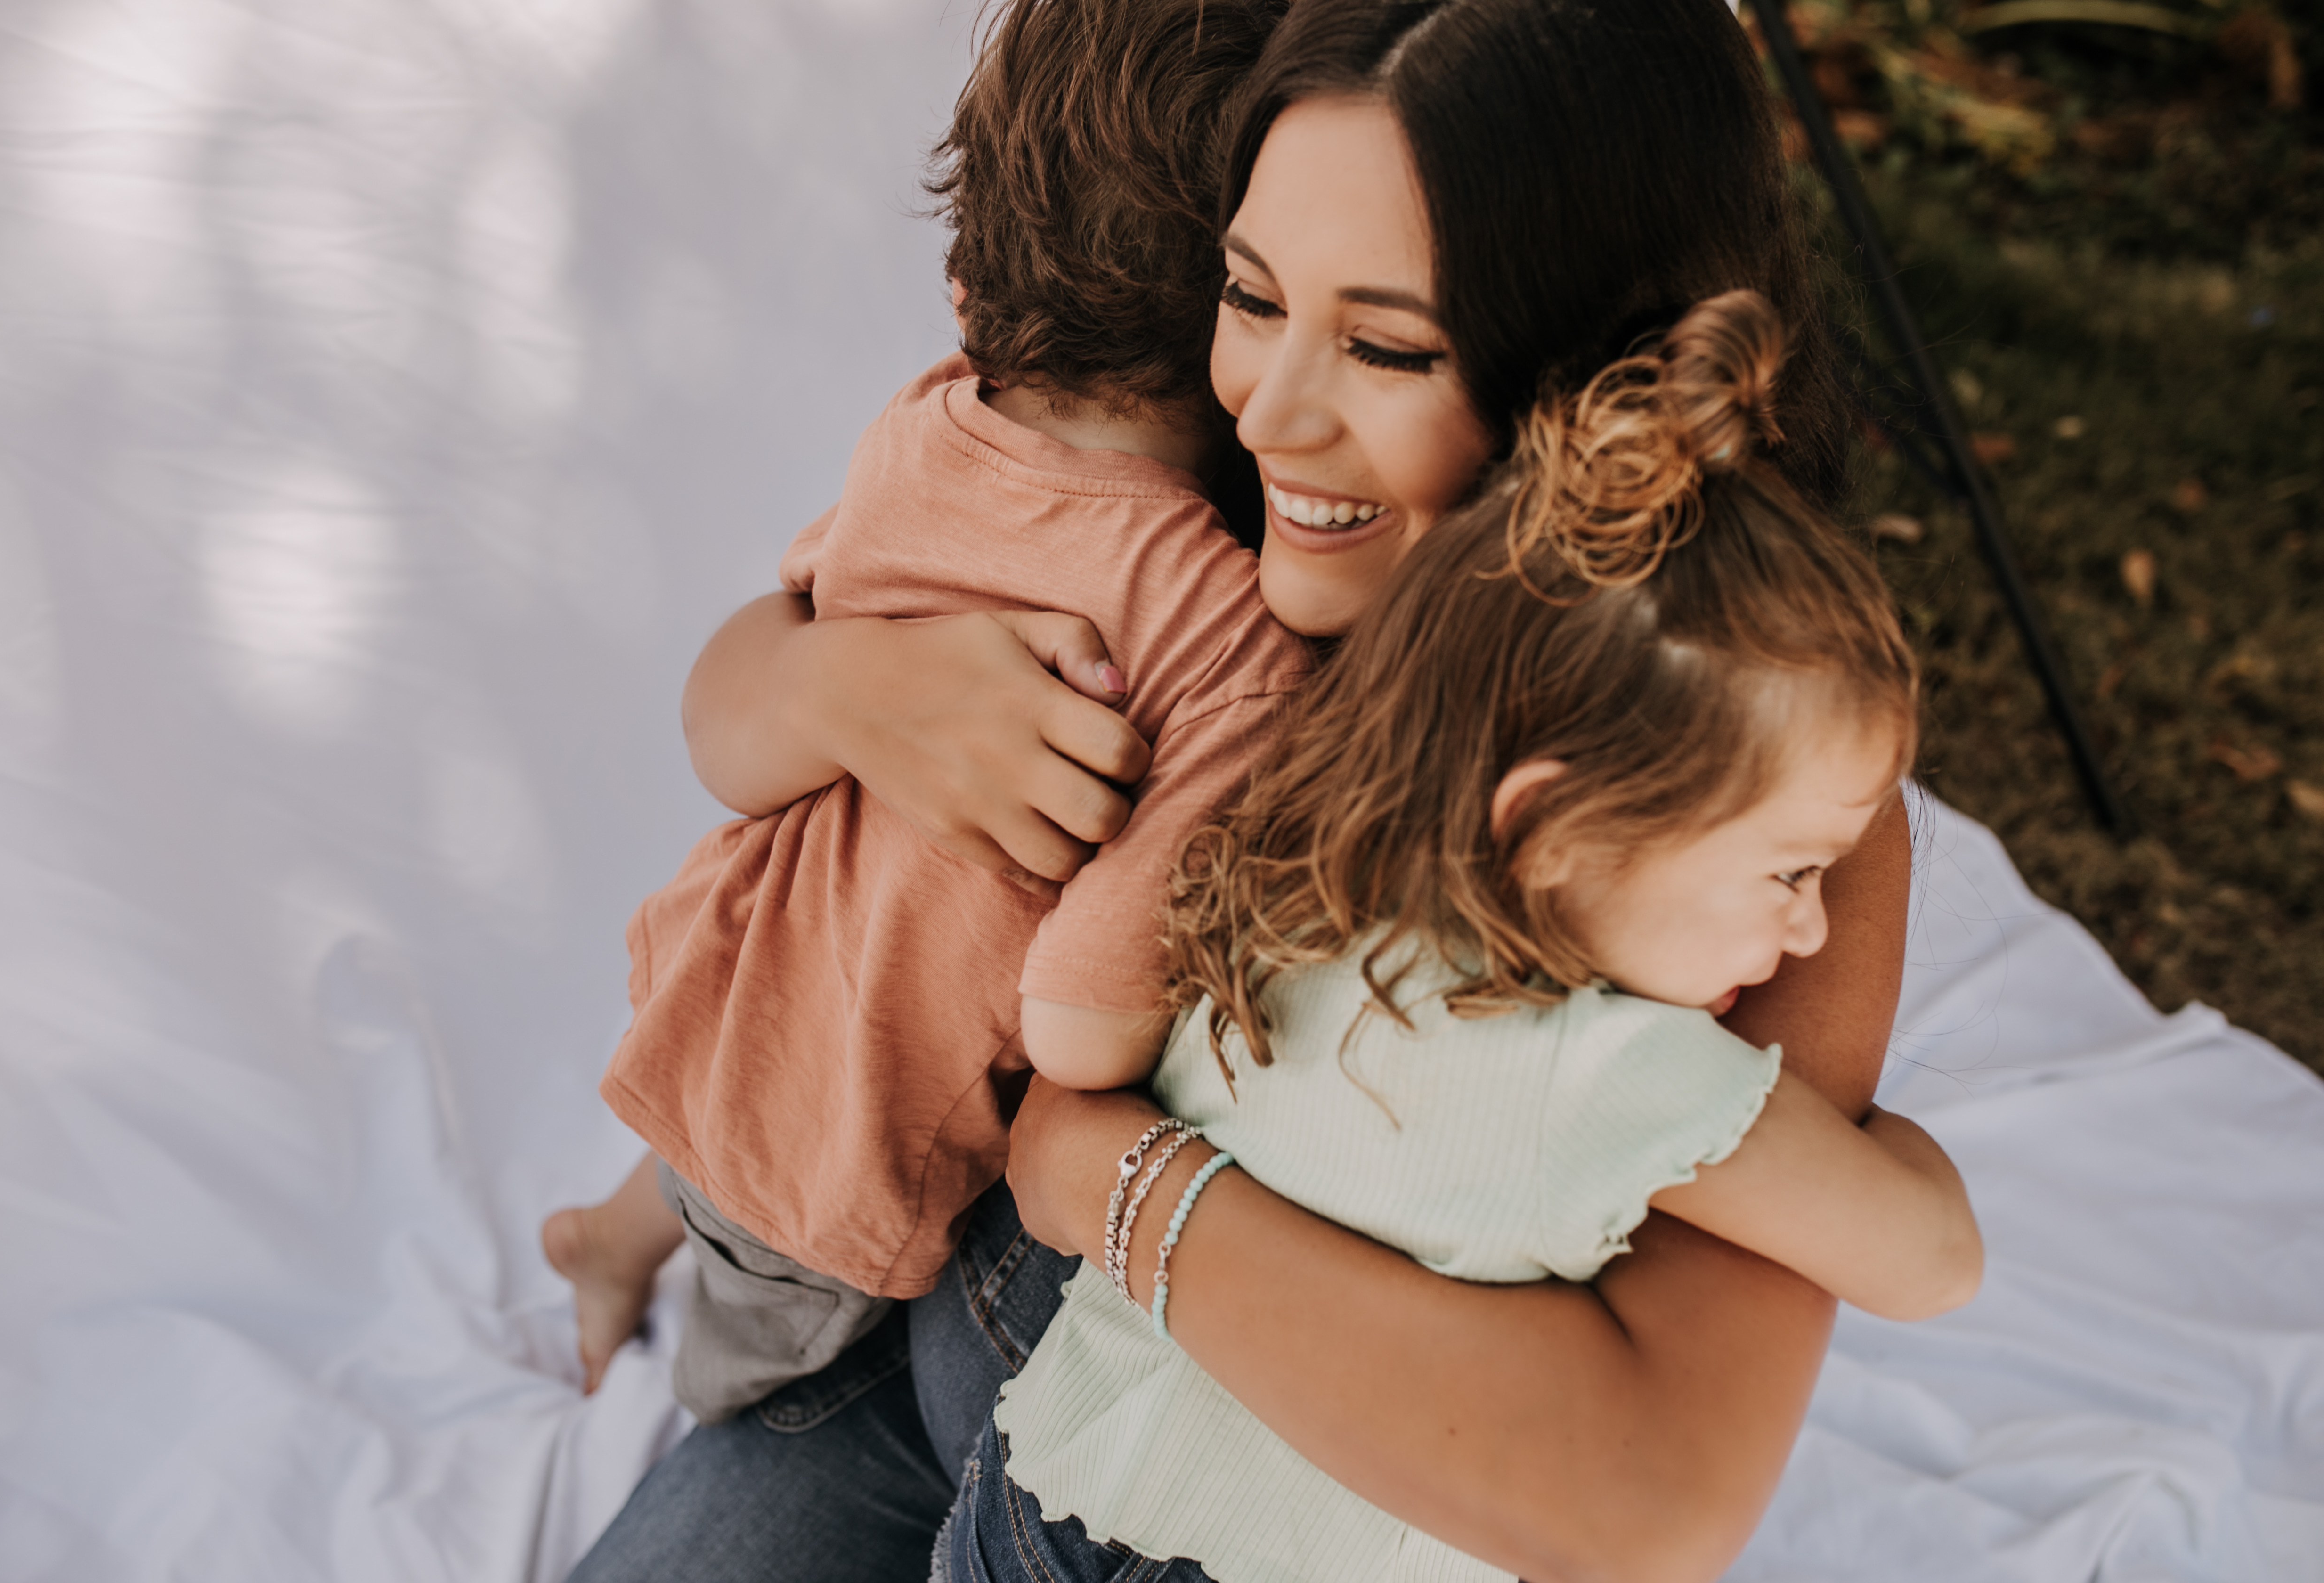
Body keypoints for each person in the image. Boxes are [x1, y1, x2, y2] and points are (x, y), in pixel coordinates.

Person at [575, 2, 1911, 1579]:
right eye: (1251, 294)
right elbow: (767, 660)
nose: (1266, 410)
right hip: (904, 1360)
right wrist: (841, 690)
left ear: (1601, 379)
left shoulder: (1727, 793)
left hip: (1183, 1506)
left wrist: (1109, 1172)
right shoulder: (1203, 514)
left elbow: (1647, 1501)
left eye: (1389, 345)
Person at [946, 291, 1983, 1583]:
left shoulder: (1295, 875)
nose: (1813, 927)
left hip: (1038, 1500)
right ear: (1551, 830)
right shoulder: (1614, 1074)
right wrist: (1880, 1143)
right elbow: (1934, 1258)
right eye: (1785, 872)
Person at [540, 0, 1304, 1418]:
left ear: (968, 285)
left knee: (729, 1116)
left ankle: (603, 1240)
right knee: (752, 1356)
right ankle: (648, 1325)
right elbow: (1086, 1017)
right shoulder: (1226, 626)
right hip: (851, 1139)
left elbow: (793, 622)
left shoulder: (930, 424)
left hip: (746, 959)